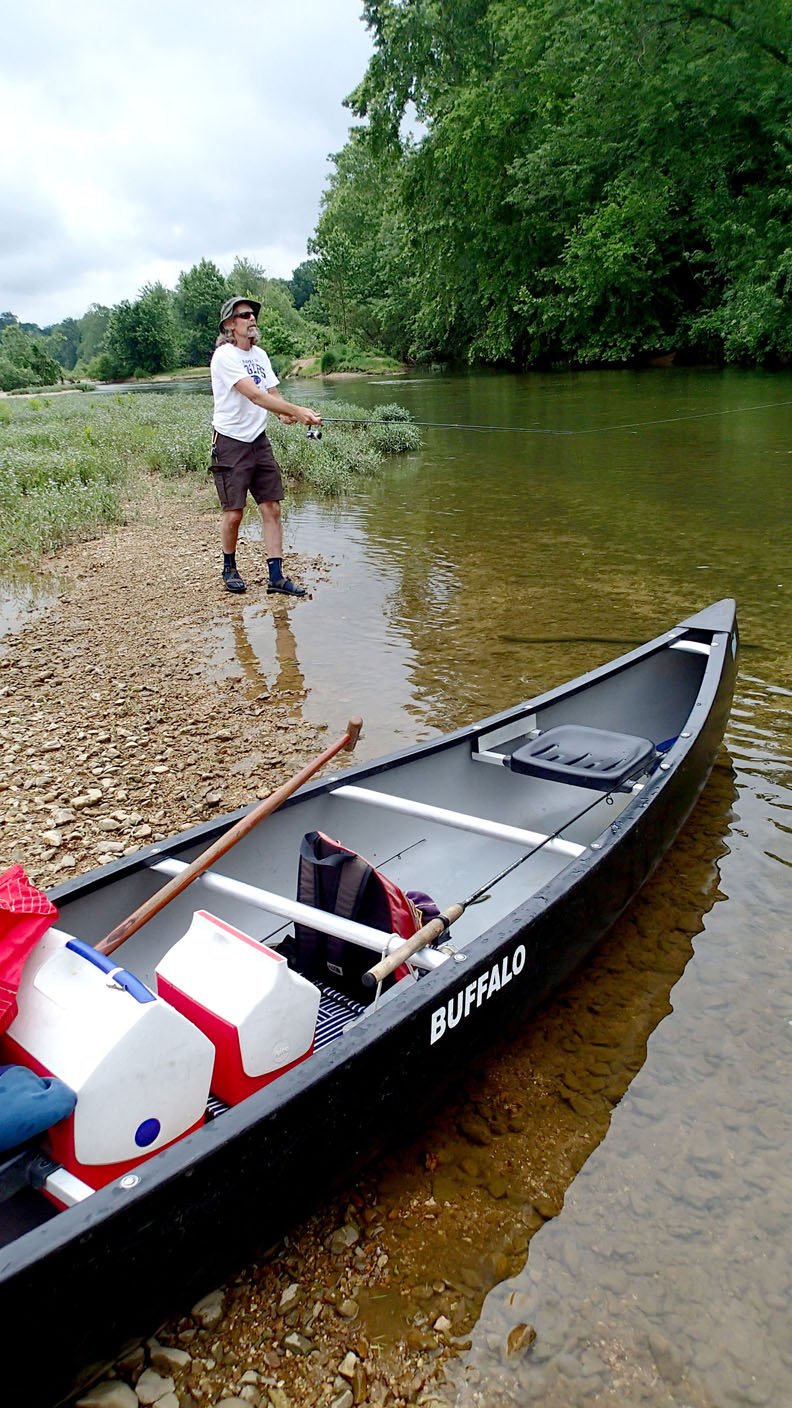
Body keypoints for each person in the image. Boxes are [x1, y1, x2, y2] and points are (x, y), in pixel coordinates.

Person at [210, 296, 322, 595]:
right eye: (244, 315)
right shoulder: (224, 357)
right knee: (234, 513)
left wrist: (287, 413)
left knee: (271, 507)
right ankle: (229, 567)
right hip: (230, 441)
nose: (252, 319)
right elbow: (255, 396)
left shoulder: (260, 355)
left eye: (253, 314)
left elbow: (271, 393)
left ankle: (276, 577)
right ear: (230, 325)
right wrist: (297, 410)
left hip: (258, 441)